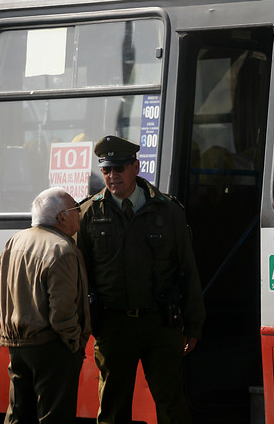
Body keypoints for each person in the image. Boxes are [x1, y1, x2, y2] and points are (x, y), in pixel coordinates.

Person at [77, 135, 205, 424]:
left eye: (119, 169)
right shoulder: (88, 213)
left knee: (171, 404)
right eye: (106, 170)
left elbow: (187, 269)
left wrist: (193, 323)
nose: (112, 176)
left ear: (135, 167)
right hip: (112, 325)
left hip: (159, 324)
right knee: (112, 407)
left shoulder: (168, 210)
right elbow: (79, 276)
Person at [0, 187, 91, 424]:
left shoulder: (14, 241)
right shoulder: (63, 249)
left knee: (18, 414)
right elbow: (63, 312)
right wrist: (75, 342)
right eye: (76, 209)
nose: (80, 215)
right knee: (53, 416)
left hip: (16, 345)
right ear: (62, 217)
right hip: (52, 347)